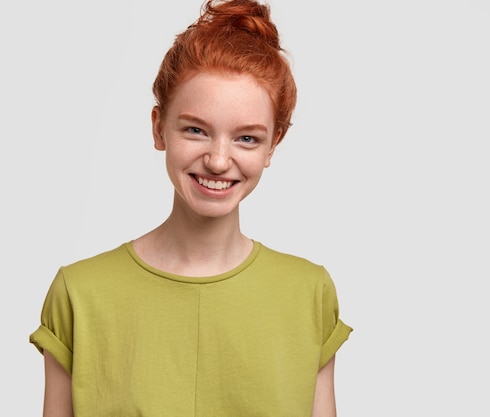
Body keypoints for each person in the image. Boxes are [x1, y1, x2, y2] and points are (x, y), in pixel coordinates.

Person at [29, 0, 352, 415]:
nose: (218, 160)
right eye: (196, 130)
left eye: (247, 138)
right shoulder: (80, 294)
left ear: (274, 145)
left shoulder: (310, 293)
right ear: (158, 126)